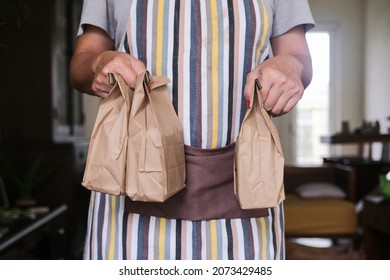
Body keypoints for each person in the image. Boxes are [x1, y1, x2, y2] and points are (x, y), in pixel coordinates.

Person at [70, 0, 315, 260]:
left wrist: (291, 66)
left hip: (248, 192)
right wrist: (100, 62)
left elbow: (298, 55)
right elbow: (81, 63)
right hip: (130, 189)